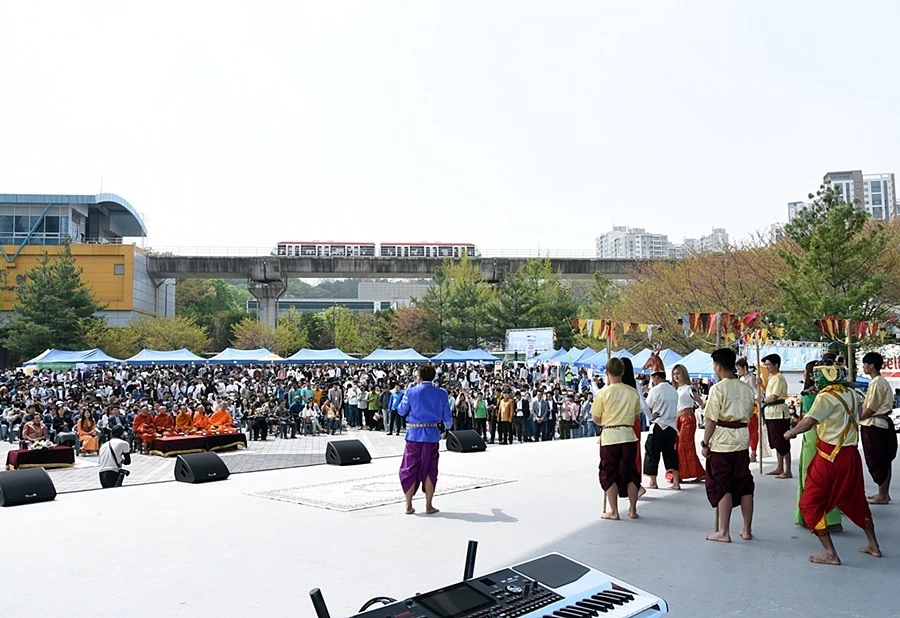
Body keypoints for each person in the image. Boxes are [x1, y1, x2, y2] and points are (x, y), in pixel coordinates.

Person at [785, 362, 881, 565]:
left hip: (829, 457)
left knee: (810, 503)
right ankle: (873, 545)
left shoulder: (826, 396)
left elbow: (810, 421)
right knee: (856, 499)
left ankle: (830, 553)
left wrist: (791, 432)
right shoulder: (852, 393)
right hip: (851, 455)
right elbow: (857, 415)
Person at [701, 348, 755, 543]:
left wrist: (705, 443)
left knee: (723, 485)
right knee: (744, 484)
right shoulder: (747, 389)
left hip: (723, 441)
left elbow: (711, 419)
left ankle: (724, 531)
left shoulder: (718, 389)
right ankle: (747, 529)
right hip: (742, 439)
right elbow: (749, 414)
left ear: (718, 366)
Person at [397, 364, 453, 515]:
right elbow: (447, 417)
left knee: (409, 469)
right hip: (432, 435)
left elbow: (401, 411)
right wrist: (448, 427)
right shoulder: (441, 393)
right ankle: (429, 505)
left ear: (419, 377)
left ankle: (408, 505)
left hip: (414, 435)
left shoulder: (410, 391)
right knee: (430, 469)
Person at [794, 360, 842, 530]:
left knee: (811, 478)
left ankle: (813, 517)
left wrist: (792, 432)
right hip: (830, 438)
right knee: (827, 479)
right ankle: (831, 518)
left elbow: (807, 419)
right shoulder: (838, 393)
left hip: (813, 436)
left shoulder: (811, 395)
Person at [591, 357, 641, 521]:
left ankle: (614, 511)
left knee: (609, 473)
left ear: (607, 372)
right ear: (623, 372)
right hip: (628, 435)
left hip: (610, 437)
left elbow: (596, 418)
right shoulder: (632, 392)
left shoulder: (603, 393)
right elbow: (636, 416)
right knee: (631, 472)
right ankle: (632, 509)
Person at [859, 352, 897, 505]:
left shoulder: (876, 383)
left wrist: (856, 419)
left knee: (878, 459)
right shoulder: (879, 381)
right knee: (883, 459)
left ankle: (882, 495)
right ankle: (883, 493)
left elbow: (871, 408)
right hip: (879, 424)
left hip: (875, 425)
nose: (863, 367)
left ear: (871, 365)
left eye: (865, 364)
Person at [665, 365, 705, 483]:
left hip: (687, 419)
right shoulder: (676, 389)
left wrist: (698, 401)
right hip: (677, 419)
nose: (676, 376)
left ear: (684, 374)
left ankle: (683, 474)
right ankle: (694, 472)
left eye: (678, 373)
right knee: (678, 446)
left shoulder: (689, 388)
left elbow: (700, 402)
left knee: (684, 446)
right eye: (674, 374)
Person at [644, 371, 681, 490]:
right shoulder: (674, 390)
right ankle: (676, 482)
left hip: (658, 424)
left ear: (657, 377)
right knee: (670, 454)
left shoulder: (655, 390)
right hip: (671, 426)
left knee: (651, 453)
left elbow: (647, 406)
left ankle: (653, 482)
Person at [761, 354, 792, 478]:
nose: (767, 367)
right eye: (766, 365)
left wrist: (762, 400)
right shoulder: (772, 377)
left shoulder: (779, 378)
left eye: (769, 365)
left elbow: (774, 397)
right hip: (771, 413)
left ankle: (787, 470)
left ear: (776, 365)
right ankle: (780, 467)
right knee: (775, 441)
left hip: (778, 413)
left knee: (782, 442)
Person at [736, 357, 761, 462]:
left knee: (753, 430)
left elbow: (756, 392)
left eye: (739, 369)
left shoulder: (751, 378)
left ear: (744, 368)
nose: (738, 371)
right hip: (742, 406)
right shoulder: (741, 379)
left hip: (751, 406)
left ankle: (753, 452)